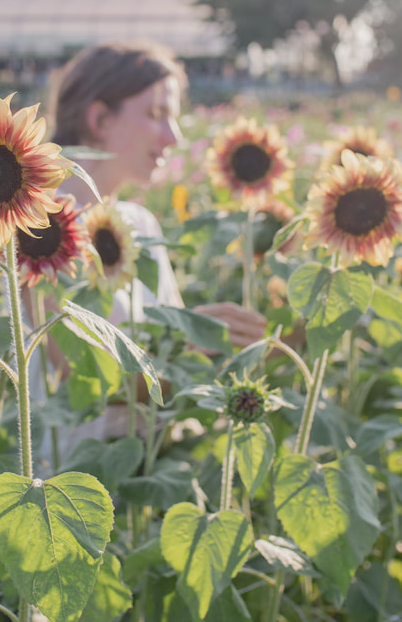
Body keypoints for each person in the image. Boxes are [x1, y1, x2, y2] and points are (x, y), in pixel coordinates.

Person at [32, 40, 267, 466]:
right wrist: (203, 342)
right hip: (62, 483)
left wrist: (260, 339)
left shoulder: (138, 226)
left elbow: (176, 359)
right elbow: (79, 372)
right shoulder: (36, 228)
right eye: (157, 115)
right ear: (100, 118)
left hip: (150, 469)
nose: (173, 136)